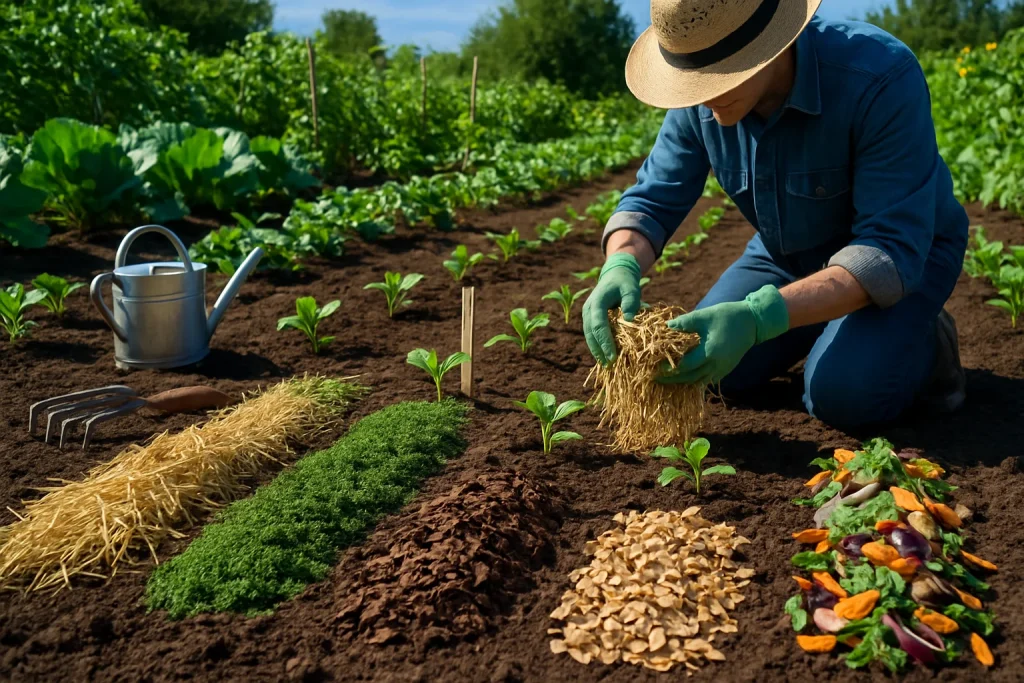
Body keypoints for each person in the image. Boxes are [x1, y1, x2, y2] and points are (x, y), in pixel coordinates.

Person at [582, 0, 969, 429]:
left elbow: (886, 252)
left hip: (905, 259)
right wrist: (620, 263)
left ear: (773, 44)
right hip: (787, 254)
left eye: (721, 75)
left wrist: (757, 317)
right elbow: (651, 202)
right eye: (693, 84)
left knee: (843, 395)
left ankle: (928, 342)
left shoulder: (879, 76)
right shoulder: (700, 93)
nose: (705, 100)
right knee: (709, 367)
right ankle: (824, 327)